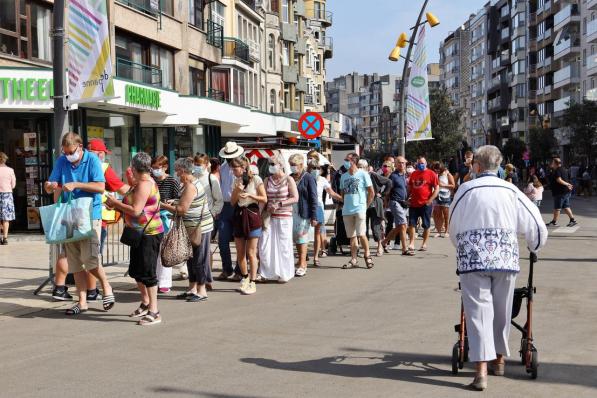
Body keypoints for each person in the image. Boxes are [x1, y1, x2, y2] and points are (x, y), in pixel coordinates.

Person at [448, 145, 547, 391]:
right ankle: (499, 359)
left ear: (477, 166)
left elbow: (453, 226)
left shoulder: (466, 189)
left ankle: (481, 369)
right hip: (504, 257)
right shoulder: (510, 190)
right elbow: (535, 223)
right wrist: (535, 245)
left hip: (473, 259)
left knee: (478, 312)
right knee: (502, 310)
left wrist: (462, 245)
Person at [44, 132, 115, 316]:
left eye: (71, 152)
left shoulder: (92, 160)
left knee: (90, 259)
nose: (68, 156)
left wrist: (76, 184)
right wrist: (50, 186)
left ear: (80, 147)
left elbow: (100, 187)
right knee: (75, 262)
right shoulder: (62, 161)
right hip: (69, 213)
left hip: (90, 214)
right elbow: (53, 183)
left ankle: (106, 286)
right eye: (65, 152)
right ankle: (82, 302)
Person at [106, 152, 163, 325]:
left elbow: (136, 210)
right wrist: (117, 206)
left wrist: (115, 204)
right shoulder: (139, 183)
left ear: (135, 167)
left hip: (149, 234)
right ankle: (146, 303)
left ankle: (155, 311)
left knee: (147, 272)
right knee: (136, 271)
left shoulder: (145, 184)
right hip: (139, 233)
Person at [79, 139, 129, 301]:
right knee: (94, 256)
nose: (103, 156)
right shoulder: (103, 167)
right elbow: (121, 188)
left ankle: (70, 289)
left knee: (75, 255)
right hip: (96, 218)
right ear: (98, 153)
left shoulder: (77, 165)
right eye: (102, 153)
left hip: (75, 216)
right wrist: (145, 191)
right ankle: (92, 291)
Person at [161, 158, 214, 303]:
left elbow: (182, 209)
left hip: (199, 227)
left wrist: (163, 205)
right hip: (190, 227)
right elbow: (184, 203)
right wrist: (174, 202)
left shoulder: (191, 186)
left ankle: (202, 290)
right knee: (190, 258)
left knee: (199, 259)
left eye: (178, 170)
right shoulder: (187, 184)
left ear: (184, 170)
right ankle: (192, 288)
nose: (177, 174)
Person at [259, 152, 299, 282]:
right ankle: (266, 272)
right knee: (265, 245)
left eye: (273, 164)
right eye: (269, 164)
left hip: (284, 216)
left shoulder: (289, 179)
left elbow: (295, 198)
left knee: (283, 246)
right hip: (269, 217)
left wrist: (280, 204)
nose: (270, 166)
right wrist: (259, 214)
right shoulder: (267, 180)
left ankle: (284, 273)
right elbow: (263, 199)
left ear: (281, 165)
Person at [230, 156, 267, 294]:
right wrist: (237, 191)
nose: (233, 171)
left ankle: (253, 281)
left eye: (235, 168)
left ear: (243, 168)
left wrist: (251, 196)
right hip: (239, 215)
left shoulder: (256, 179)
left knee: (251, 252)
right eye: (232, 168)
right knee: (240, 252)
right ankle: (245, 277)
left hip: (252, 214)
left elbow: (264, 198)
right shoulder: (235, 181)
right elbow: (233, 202)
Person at [151, 155, 181, 293]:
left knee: (165, 251)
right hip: (152, 217)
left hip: (166, 217)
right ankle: (154, 279)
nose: (155, 171)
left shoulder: (172, 181)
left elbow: (179, 199)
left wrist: (172, 202)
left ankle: (164, 282)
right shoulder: (151, 180)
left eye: (157, 168)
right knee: (154, 251)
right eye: (153, 168)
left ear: (165, 167)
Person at [339, 153, 375, 269]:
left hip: (359, 208)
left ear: (353, 161)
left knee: (361, 234)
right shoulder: (343, 176)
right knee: (352, 236)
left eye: (347, 159)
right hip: (347, 210)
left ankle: (367, 255)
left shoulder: (363, 174)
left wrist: (366, 206)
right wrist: (344, 204)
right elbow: (342, 194)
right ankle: (354, 259)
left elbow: (371, 192)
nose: (345, 161)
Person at [216, 142, 245, 281]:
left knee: (240, 240)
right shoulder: (222, 168)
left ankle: (240, 270)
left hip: (239, 205)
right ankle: (227, 269)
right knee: (222, 240)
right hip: (225, 206)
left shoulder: (244, 168)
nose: (229, 159)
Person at [309, 159, 342, 266]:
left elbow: (331, 193)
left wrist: (343, 199)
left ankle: (315, 257)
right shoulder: (305, 178)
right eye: (313, 168)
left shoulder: (322, 180)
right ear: (309, 169)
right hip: (306, 207)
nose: (316, 170)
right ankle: (302, 256)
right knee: (303, 233)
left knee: (317, 233)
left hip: (318, 207)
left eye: (318, 168)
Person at [289, 153, 318, 276]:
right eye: (291, 165)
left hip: (303, 211)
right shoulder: (290, 177)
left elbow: (313, 197)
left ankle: (302, 264)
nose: (292, 167)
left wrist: (314, 216)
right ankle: (300, 260)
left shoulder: (308, 177)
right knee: (296, 238)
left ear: (301, 165)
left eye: (294, 165)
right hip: (291, 211)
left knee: (302, 237)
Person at [407, 156, 439, 253]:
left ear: (426, 163)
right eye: (419, 163)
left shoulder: (431, 174)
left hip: (425, 204)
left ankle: (424, 243)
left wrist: (430, 200)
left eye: (422, 163)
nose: (421, 165)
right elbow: (410, 188)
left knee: (426, 225)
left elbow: (437, 188)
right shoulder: (414, 174)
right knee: (412, 224)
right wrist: (407, 198)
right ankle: (411, 243)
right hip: (414, 204)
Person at [364, 160, 392, 257]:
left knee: (376, 226)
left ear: (367, 168)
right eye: (358, 166)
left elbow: (388, 182)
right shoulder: (357, 176)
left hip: (375, 204)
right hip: (363, 205)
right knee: (363, 228)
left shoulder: (372, 175)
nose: (360, 169)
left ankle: (380, 246)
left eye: (362, 166)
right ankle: (365, 248)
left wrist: (383, 194)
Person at [383, 157, 410, 254]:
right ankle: (404, 249)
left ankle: (384, 242)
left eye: (403, 163)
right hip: (395, 202)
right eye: (400, 163)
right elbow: (387, 190)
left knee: (400, 226)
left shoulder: (404, 175)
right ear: (396, 164)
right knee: (403, 224)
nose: (402, 164)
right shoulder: (393, 176)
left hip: (403, 203)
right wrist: (385, 202)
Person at [546, 158, 578, 227]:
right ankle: (572, 220)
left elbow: (559, 180)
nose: (551, 164)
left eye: (552, 163)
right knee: (566, 207)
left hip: (560, 192)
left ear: (555, 163)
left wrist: (567, 184)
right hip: (565, 192)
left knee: (557, 208)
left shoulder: (557, 170)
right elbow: (565, 179)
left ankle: (553, 222)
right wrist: (568, 184)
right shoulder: (564, 169)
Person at [432, 162, 455, 238]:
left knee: (446, 215)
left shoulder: (447, 174)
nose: (437, 171)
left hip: (445, 196)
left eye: (438, 169)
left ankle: (446, 231)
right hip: (436, 195)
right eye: (435, 169)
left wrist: (443, 185)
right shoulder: (435, 174)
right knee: (437, 214)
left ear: (442, 168)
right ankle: (438, 231)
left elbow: (453, 185)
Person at [0, 152, 16, 245]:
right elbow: (13, 185)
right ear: (5, 159)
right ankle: (5, 238)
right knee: (6, 218)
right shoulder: (10, 170)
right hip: (7, 195)